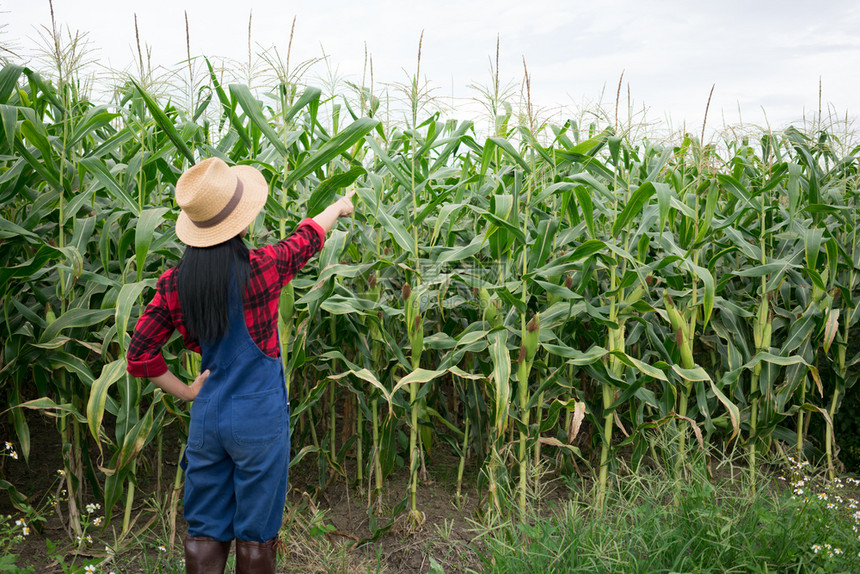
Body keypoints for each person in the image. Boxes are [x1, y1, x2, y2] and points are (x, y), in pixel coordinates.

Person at [126, 157, 354, 574]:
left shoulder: (175, 284)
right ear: (241, 223)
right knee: (256, 531)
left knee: (205, 528)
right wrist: (338, 207)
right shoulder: (264, 268)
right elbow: (309, 236)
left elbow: (139, 355)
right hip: (258, 419)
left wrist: (189, 392)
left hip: (208, 418)